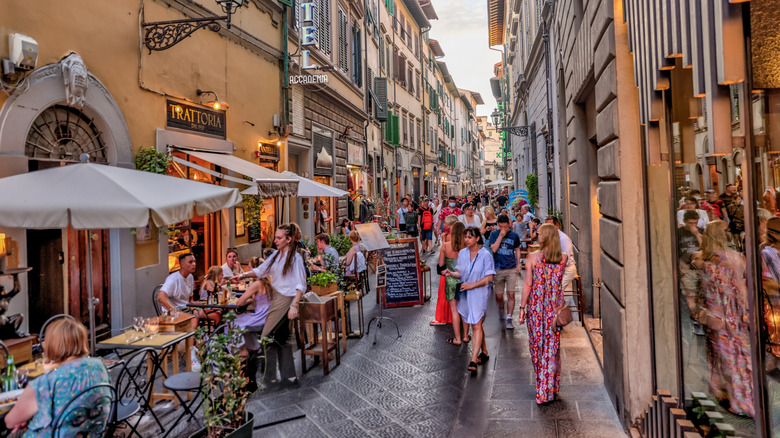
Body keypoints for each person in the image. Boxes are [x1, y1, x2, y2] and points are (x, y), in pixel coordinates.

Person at [5, 318, 111, 436]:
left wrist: (27, 420)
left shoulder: (47, 382)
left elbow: (10, 422)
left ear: (53, 345)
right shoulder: (100, 367)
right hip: (92, 433)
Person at [231, 223, 307, 386]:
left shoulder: (296, 258)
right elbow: (261, 271)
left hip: (286, 300)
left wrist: (294, 305)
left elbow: (301, 284)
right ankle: (283, 376)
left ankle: (272, 376)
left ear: (288, 239)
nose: (275, 240)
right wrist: (242, 276)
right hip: (277, 298)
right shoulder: (276, 256)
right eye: (276, 237)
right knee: (280, 337)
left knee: (269, 336)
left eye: (279, 238)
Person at [694, 220, 754, 417]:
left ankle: (728, 396)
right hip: (733, 314)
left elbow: (703, 288)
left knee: (722, 355)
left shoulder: (703, 259)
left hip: (718, 313)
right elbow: (744, 286)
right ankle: (741, 398)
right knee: (737, 355)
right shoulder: (736, 258)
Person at [518, 224, 568, 404]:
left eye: (539, 233)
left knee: (537, 348)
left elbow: (528, 284)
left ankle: (542, 390)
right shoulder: (563, 258)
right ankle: (551, 387)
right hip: (554, 311)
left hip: (537, 309)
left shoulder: (532, 258)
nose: (536, 235)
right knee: (552, 349)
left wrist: (522, 308)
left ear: (545, 236)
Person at [443, 227, 495, 374]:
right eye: (465, 237)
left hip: (479, 293)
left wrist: (472, 285)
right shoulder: (463, 253)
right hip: (465, 292)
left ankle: (473, 359)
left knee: (476, 324)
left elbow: (490, 278)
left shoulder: (485, 255)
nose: (466, 239)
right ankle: (485, 352)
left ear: (477, 238)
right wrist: (451, 273)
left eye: (469, 237)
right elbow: (460, 273)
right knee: (474, 322)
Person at [159, 253, 217, 330]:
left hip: (187, 308)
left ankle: (220, 337)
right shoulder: (173, 279)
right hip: (175, 311)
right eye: (190, 262)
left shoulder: (190, 277)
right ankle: (191, 338)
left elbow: (190, 300)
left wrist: (194, 309)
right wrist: (174, 310)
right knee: (194, 319)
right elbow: (161, 297)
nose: (194, 264)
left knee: (217, 314)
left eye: (194, 261)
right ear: (182, 265)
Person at [235, 276, 272, 393]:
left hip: (259, 319)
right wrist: (252, 301)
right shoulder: (270, 283)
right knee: (243, 325)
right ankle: (252, 347)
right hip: (267, 318)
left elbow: (238, 303)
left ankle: (241, 350)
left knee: (232, 322)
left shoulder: (257, 284)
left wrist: (247, 301)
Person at [489, 214, 523, 330]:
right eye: (501, 226)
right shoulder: (494, 234)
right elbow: (494, 249)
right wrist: (500, 236)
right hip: (498, 268)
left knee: (511, 293)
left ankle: (509, 317)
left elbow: (517, 249)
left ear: (509, 225)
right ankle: (501, 308)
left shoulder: (514, 235)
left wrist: (518, 264)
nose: (503, 229)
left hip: (511, 268)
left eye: (505, 227)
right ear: (498, 225)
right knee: (499, 296)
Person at [677, 210, 704, 336]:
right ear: (684, 221)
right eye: (690, 223)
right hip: (686, 269)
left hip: (700, 268)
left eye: (695, 223)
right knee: (691, 295)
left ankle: (700, 318)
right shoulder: (678, 233)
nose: (693, 225)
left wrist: (697, 234)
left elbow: (705, 249)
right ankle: (695, 321)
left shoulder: (701, 231)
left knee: (701, 296)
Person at [545, 216, 578, 292]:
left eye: (550, 226)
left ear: (557, 225)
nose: (548, 228)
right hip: (558, 269)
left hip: (567, 270)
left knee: (555, 292)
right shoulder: (552, 237)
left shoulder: (562, 239)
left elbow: (565, 258)